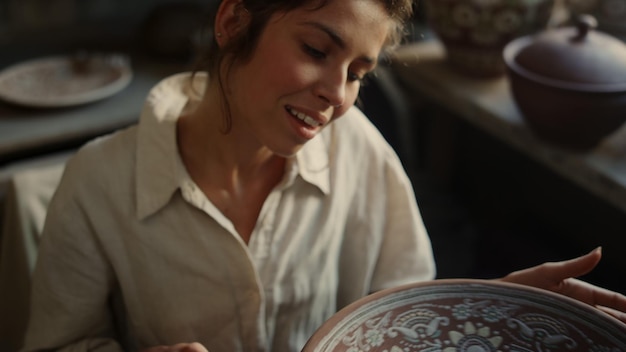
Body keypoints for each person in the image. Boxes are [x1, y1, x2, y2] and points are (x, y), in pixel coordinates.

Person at [21, 0, 626, 351]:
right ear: (233, 21)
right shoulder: (95, 181)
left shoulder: (359, 148)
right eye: (316, 50)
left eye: (359, 71)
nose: (336, 96)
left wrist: (490, 305)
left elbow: (401, 328)